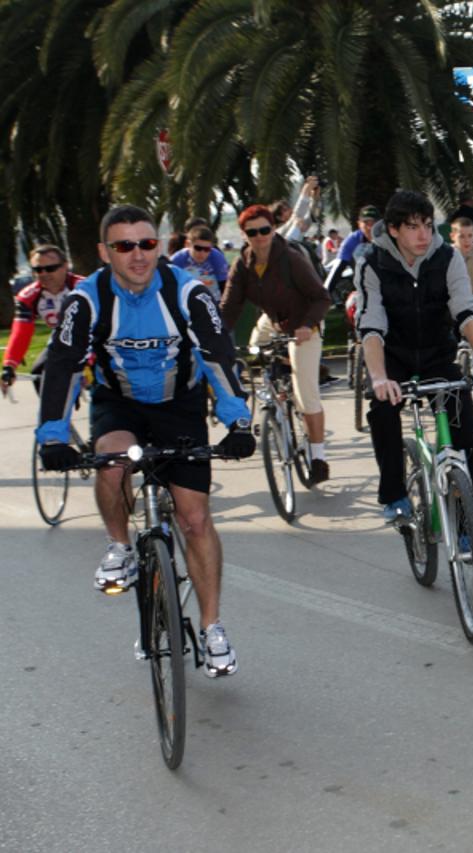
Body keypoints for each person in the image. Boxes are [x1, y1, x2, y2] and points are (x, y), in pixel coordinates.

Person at [35, 204, 254, 676]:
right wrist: (52, 437)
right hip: (121, 403)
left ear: (160, 244)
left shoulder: (188, 292)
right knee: (112, 461)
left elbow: (219, 357)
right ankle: (120, 547)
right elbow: (64, 366)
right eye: (124, 246)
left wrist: (239, 424)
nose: (138, 255)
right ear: (103, 252)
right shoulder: (87, 300)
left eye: (147, 243)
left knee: (195, 520)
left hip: (180, 404)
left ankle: (213, 628)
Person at [354, 190, 473, 521]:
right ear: (393, 230)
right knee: (382, 411)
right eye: (412, 227)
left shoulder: (447, 258)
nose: (423, 235)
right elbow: (371, 325)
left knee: (467, 435)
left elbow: (466, 314)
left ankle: (467, 524)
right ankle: (394, 495)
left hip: (438, 356)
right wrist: (379, 377)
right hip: (393, 358)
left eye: (426, 225)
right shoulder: (372, 263)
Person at [221, 204, 333, 484]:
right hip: (273, 321)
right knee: (252, 351)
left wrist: (307, 326)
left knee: (306, 392)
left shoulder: (291, 259)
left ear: (273, 229)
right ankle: (276, 386)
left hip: (305, 322)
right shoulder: (243, 264)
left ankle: (318, 457)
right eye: (252, 231)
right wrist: (216, 337)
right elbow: (229, 308)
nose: (260, 236)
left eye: (265, 229)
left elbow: (321, 297)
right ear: (244, 234)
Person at [3, 245, 83, 396]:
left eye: (51, 268)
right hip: (61, 340)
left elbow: (101, 326)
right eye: (38, 270)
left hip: (95, 340)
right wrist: (9, 365)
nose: (44, 274)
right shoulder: (28, 297)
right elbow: (21, 333)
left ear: (65, 266)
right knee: (39, 371)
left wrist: (90, 361)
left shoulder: (84, 288)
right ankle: (55, 416)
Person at [169, 225, 228, 301]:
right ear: (188, 244)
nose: (202, 253)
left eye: (207, 249)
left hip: (213, 301)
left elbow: (224, 286)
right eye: (198, 248)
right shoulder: (177, 260)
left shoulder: (217, 257)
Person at [274, 176, 321, 241]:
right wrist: (306, 189)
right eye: (285, 210)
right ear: (279, 217)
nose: (290, 210)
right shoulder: (277, 233)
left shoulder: (298, 221)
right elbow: (297, 214)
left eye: (288, 207)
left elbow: (311, 217)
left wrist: (315, 198)